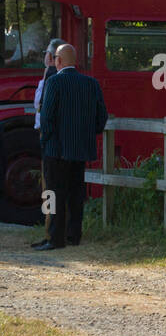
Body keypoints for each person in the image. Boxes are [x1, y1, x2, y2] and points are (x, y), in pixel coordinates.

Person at [35, 45, 106, 251]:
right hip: (80, 149)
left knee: (52, 194)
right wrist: (88, 135)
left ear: (58, 61)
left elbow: (47, 117)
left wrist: (45, 141)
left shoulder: (54, 82)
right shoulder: (91, 83)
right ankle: (73, 235)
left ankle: (53, 237)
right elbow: (102, 116)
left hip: (55, 149)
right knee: (76, 194)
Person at [30, 39, 61, 249]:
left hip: (49, 138)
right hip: (50, 137)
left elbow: (41, 108)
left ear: (50, 57)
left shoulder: (51, 78)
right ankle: (50, 230)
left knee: (50, 186)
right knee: (50, 186)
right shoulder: (50, 77)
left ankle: (51, 232)